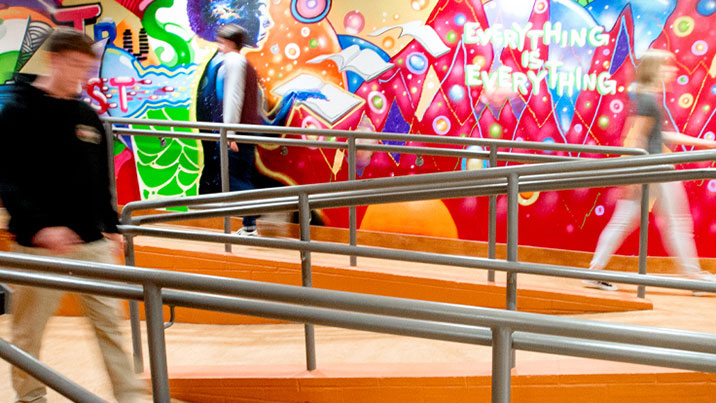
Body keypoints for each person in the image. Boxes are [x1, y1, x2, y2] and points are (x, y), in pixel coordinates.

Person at [0, 29, 145, 402]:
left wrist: (111, 227)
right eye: (78, 66)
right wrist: (39, 227)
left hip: (91, 242)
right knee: (29, 331)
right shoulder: (15, 109)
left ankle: (128, 396)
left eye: (88, 68)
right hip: (40, 247)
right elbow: (7, 179)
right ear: (57, 59)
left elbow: (100, 177)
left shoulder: (86, 114)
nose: (83, 76)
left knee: (110, 326)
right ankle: (31, 397)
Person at [585, 49, 716, 292]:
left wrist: (704, 143)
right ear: (655, 69)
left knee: (624, 221)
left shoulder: (646, 97)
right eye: (667, 66)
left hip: (649, 169)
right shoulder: (646, 99)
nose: (673, 71)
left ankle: (593, 272)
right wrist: (634, 173)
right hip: (655, 169)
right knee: (677, 222)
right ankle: (695, 277)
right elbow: (635, 137)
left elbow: (657, 134)